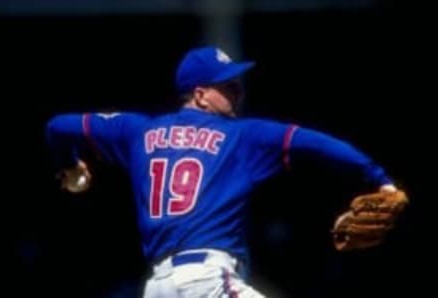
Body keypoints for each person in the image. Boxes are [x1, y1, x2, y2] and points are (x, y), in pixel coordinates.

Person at [45, 46, 407, 297]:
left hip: (158, 287)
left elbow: (58, 126)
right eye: (228, 86)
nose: (238, 92)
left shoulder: (137, 130)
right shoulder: (241, 135)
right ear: (200, 94)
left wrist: (69, 165)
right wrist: (380, 179)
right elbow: (317, 143)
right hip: (207, 280)